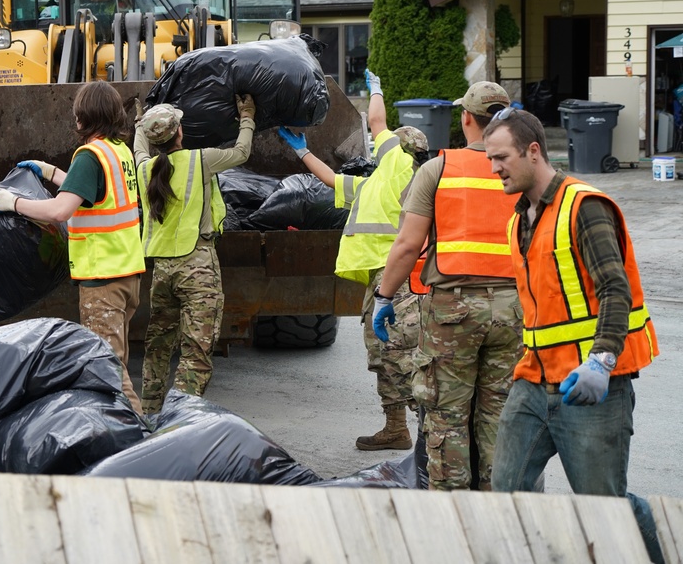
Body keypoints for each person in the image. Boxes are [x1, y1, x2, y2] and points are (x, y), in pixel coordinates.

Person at [482, 108, 662, 559]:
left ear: (534, 151)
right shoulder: (519, 219)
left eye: (501, 157)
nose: (494, 169)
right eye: (490, 159)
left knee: (605, 509)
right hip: (532, 383)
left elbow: (615, 290)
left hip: (589, 389)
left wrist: (601, 363)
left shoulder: (585, 207)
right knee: (506, 493)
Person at [372, 81, 523, 492]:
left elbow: (407, 245)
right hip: (514, 309)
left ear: (467, 118)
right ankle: (501, 505)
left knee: (447, 415)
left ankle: (453, 511)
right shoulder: (526, 170)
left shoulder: (439, 168)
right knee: (500, 414)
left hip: (452, 311)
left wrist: (384, 296)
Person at [278, 70, 425, 451]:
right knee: (382, 358)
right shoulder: (376, 181)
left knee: (399, 358)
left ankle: (433, 428)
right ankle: (397, 428)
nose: (378, 145)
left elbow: (377, 122)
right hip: (379, 279)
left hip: (396, 280)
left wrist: (376, 88)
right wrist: (302, 151)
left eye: (386, 144)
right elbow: (331, 180)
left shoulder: (401, 168)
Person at [0, 80, 146, 414]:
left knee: (110, 374)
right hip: (128, 275)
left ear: (83, 118)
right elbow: (90, 191)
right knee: (117, 363)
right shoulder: (119, 152)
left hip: (103, 280)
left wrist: (13, 203)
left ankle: (142, 442)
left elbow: (60, 210)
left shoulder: (91, 156)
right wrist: (51, 172)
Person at [133, 95, 256, 415]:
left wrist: (140, 124)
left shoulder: (145, 168)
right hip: (197, 267)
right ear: (180, 133)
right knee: (196, 350)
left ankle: (149, 414)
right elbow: (242, 153)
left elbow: (139, 150)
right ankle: (179, 420)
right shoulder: (200, 160)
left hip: (161, 272)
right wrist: (247, 115)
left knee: (158, 347)